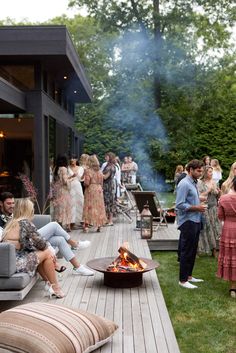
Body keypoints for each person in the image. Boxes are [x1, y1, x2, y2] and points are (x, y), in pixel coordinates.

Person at [0, 192, 93, 276]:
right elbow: (4, 237)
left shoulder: (14, 214)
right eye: (8, 204)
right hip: (23, 242)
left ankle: (78, 267)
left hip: (27, 238)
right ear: (1, 204)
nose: (12, 206)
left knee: (59, 239)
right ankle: (75, 244)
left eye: (13, 203)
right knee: (54, 225)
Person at [2, 198, 65, 298]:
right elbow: (42, 244)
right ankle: (55, 287)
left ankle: (50, 284)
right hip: (18, 264)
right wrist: (52, 255)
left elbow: (25, 245)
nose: (33, 211)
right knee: (47, 253)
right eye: (32, 209)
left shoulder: (10, 223)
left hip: (10, 263)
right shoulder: (25, 223)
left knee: (45, 255)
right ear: (27, 210)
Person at [176, 159, 206, 289]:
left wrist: (199, 200)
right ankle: (182, 280)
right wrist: (197, 207)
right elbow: (180, 204)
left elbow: (190, 199)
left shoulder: (194, 182)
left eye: (201, 170)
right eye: (198, 171)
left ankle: (189, 276)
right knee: (186, 251)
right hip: (188, 221)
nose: (200, 173)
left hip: (196, 220)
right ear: (191, 170)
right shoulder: (184, 183)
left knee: (193, 250)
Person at [217, 176, 236, 298]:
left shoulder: (223, 199)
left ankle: (233, 288)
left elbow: (220, 216)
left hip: (229, 229)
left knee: (232, 256)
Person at [197, 166, 221, 257]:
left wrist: (218, 192)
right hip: (204, 208)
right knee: (205, 229)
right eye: (210, 172)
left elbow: (218, 196)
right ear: (205, 173)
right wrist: (209, 190)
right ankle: (201, 249)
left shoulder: (214, 182)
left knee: (214, 229)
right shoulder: (200, 183)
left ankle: (214, 250)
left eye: (212, 172)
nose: (211, 174)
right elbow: (199, 195)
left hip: (214, 208)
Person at [82, 155, 107, 232]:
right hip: (99, 189)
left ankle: (86, 226)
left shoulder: (88, 171)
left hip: (91, 189)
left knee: (89, 207)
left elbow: (87, 183)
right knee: (99, 207)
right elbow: (102, 182)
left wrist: (84, 184)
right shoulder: (100, 171)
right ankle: (99, 225)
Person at [52, 154, 74, 231]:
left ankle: (59, 223)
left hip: (57, 190)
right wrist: (71, 180)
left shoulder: (55, 168)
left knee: (58, 207)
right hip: (63, 190)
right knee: (66, 206)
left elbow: (54, 180)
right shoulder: (64, 169)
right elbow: (65, 181)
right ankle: (67, 226)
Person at [68, 155, 84, 228]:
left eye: (73, 158)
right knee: (71, 203)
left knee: (80, 202)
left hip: (78, 185)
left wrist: (83, 174)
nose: (72, 159)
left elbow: (81, 179)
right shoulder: (68, 168)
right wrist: (72, 176)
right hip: (70, 186)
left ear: (76, 160)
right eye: (71, 158)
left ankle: (81, 220)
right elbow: (66, 178)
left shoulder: (80, 168)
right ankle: (71, 222)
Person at [103, 152, 117, 226]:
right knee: (108, 202)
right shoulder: (111, 166)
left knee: (109, 202)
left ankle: (110, 220)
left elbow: (105, 177)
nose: (105, 158)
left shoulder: (110, 167)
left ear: (110, 157)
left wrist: (98, 173)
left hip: (108, 186)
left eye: (107, 157)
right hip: (109, 185)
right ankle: (108, 219)